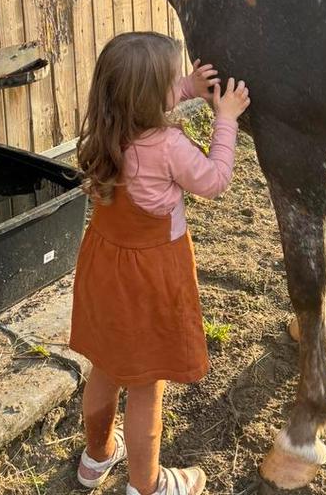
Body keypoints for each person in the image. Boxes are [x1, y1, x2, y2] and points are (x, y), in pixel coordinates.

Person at [69, 31, 250, 495]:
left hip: (104, 267)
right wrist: (224, 120)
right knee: (147, 385)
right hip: (151, 276)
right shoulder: (168, 145)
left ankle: (97, 458)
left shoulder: (104, 130)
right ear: (152, 99)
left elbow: (140, 98)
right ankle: (148, 487)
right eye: (171, 82)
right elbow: (214, 180)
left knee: (106, 366)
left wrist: (188, 85)